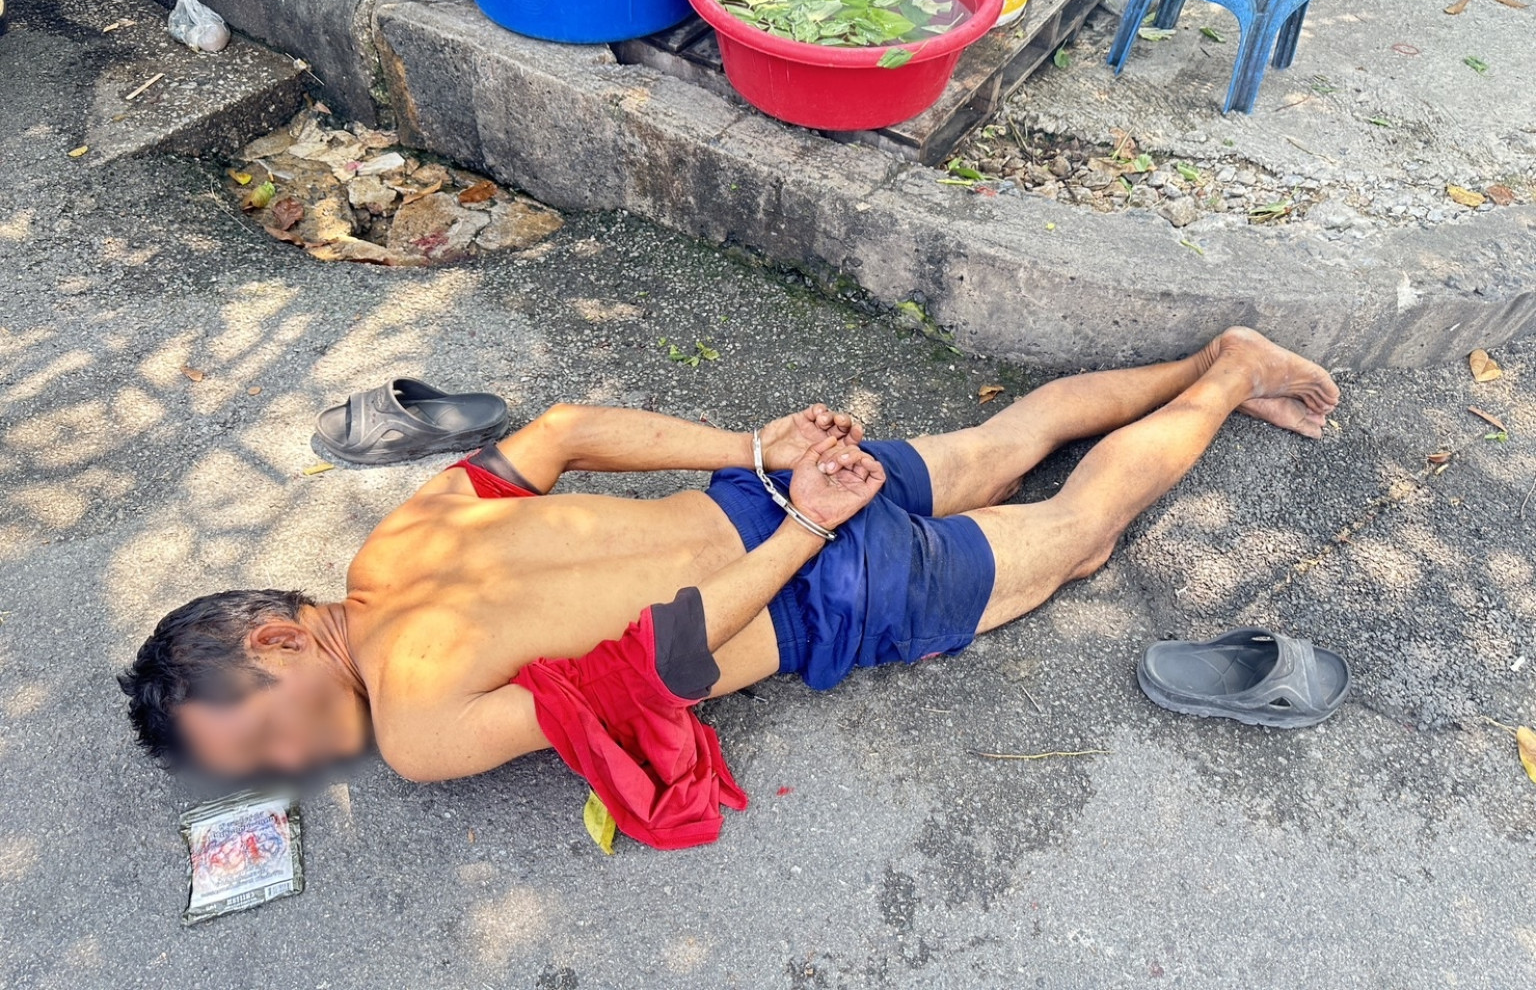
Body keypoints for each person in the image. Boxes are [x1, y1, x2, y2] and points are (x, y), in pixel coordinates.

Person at [120, 327, 1338, 798]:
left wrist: (808, 526)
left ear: (275, 639)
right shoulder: (397, 540)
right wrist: (759, 454)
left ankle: (1232, 371)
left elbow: (659, 669)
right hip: (755, 497)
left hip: (825, 581)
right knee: (1004, 445)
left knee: (1080, 534)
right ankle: (1215, 363)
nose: (294, 761)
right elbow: (567, 431)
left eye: (266, 735)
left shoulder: (416, 732)